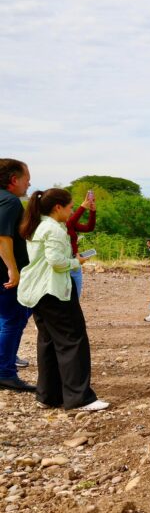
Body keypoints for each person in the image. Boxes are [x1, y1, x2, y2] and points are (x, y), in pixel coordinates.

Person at [17, 188, 107, 411]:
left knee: (48, 341)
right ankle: (80, 398)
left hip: (37, 291)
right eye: (70, 207)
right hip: (53, 290)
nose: (72, 211)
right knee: (72, 340)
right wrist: (77, 262)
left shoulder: (37, 224)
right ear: (58, 207)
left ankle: (48, 395)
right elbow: (56, 262)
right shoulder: (54, 229)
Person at [0, 159, 34, 392]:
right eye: (26, 178)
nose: (29, 183)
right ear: (14, 180)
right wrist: (13, 269)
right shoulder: (10, 201)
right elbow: (3, 237)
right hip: (6, 276)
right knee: (12, 321)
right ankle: (5, 373)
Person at [65, 193, 96, 298]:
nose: (72, 211)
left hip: (75, 263)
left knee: (75, 298)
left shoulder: (71, 224)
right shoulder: (59, 225)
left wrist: (92, 211)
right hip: (65, 264)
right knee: (65, 298)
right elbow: (69, 223)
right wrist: (83, 206)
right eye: (71, 208)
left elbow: (89, 228)